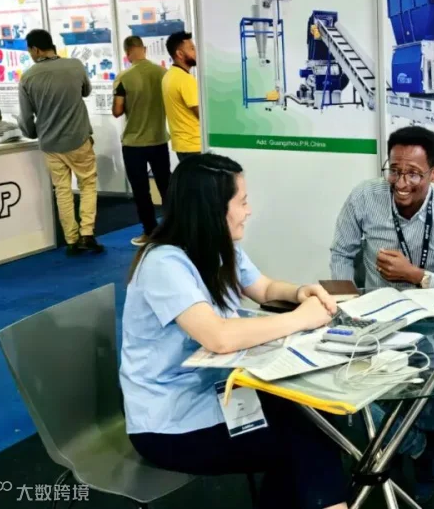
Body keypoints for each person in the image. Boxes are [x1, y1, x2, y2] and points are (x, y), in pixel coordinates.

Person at [120, 153, 348, 509]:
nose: (249, 211)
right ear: (213, 209)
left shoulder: (217, 248)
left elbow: (265, 288)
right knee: (305, 439)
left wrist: (299, 293)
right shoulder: (164, 264)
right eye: (242, 202)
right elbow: (219, 337)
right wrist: (301, 319)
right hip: (171, 423)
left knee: (318, 417)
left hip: (221, 395)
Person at [330, 125, 434, 502]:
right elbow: (341, 254)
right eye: (394, 170)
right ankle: (416, 444)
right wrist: (346, 309)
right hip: (377, 321)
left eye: (413, 174)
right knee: (337, 392)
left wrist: (416, 275)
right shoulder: (364, 197)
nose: (401, 183)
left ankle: (403, 434)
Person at [18, 29, 104, 256]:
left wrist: (33, 133)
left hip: (50, 144)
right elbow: (86, 91)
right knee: (88, 184)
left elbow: (26, 118)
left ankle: (71, 240)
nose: (30, 55)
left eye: (29, 51)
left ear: (36, 49)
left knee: (62, 191)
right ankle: (87, 233)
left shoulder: (27, 78)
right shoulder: (75, 65)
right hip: (79, 138)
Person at [113, 36, 171, 246]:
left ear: (127, 52)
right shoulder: (163, 73)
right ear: (144, 49)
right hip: (159, 139)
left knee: (141, 191)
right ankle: (173, 230)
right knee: (166, 187)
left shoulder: (124, 77)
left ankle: (150, 232)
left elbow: (117, 110)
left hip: (134, 143)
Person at [162, 31, 201, 161]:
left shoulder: (169, 75)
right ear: (180, 54)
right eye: (192, 49)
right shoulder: (185, 79)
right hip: (194, 145)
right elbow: (201, 114)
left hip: (182, 144)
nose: (196, 52)